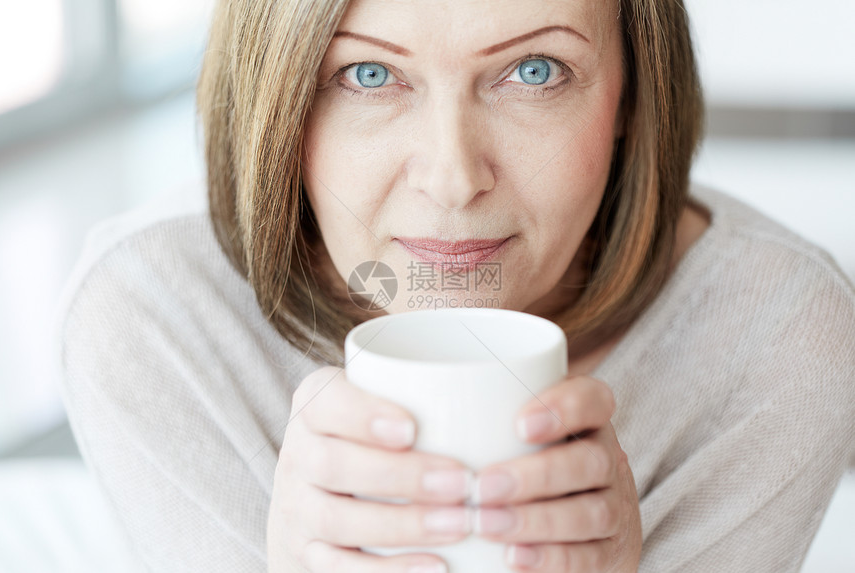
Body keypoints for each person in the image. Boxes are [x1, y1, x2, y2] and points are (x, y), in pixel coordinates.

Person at [56, 0, 855, 571]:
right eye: (369, 73)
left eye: (533, 71)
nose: (452, 178)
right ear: (280, 95)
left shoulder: (776, 333)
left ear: (632, 91)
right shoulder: (155, 315)